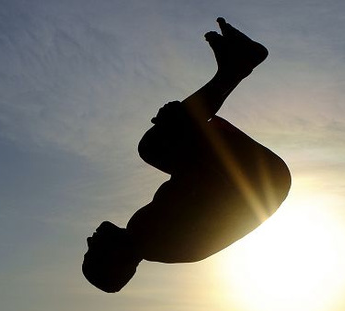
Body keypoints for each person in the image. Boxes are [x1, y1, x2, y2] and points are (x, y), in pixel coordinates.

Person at [83, 17, 291, 292]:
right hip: (258, 183)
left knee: (160, 141)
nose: (89, 239)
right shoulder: (156, 237)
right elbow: (208, 185)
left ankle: (234, 68)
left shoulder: (146, 236)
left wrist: (183, 127)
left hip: (254, 182)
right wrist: (182, 127)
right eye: (92, 251)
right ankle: (234, 67)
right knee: (154, 145)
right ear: (113, 258)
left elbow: (198, 181)